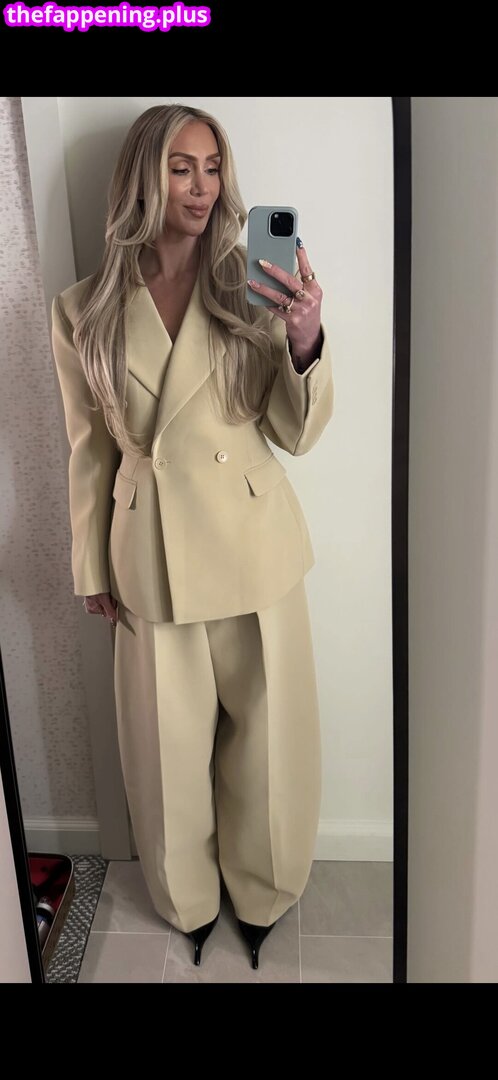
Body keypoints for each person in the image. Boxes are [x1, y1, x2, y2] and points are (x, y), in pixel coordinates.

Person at [51, 103, 334, 971]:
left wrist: (305, 339)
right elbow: (89, 451)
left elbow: (295, 432)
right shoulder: (85, 308)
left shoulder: (251, 280)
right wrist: (90, 564)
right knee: (164, 751)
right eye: (181, 168)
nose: (202, 187)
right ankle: (188, 901)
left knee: (270, 742)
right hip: (151, 555)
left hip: (253, 545)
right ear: (145, 177)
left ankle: (266, 891)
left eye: (212, 168)